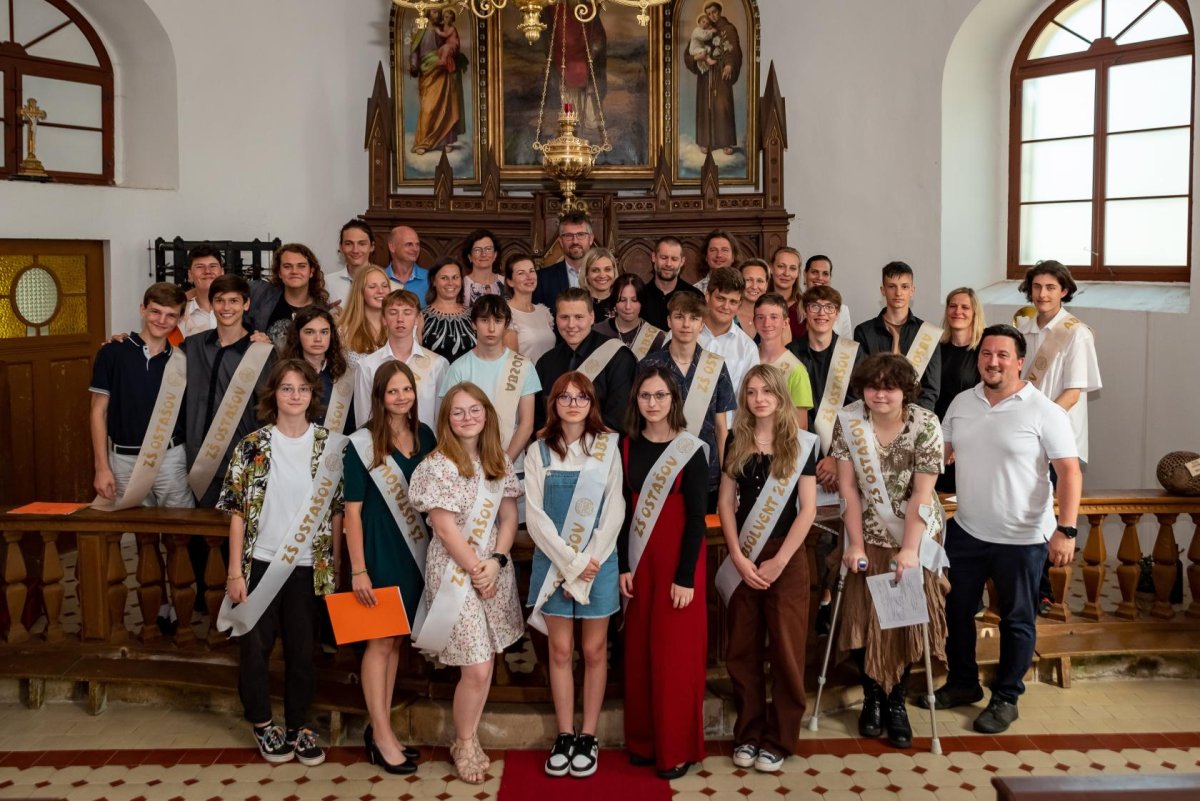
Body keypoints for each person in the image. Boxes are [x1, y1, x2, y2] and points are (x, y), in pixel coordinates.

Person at [925, 325, 1081, 734]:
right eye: (986, 354)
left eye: (1002, 355)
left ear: (1019, 362)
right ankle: (963, 682)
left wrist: (1066, 530)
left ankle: (1007, 696)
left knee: (1017, 619)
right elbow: (939, 455)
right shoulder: (963, 402)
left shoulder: (1045, 411)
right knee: (955, 610)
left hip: (1023, 537)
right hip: (968, 530)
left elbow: (1069, 472)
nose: (992, 362)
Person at [218, 359, 345, 768]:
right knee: (254, 648)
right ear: (274, 393)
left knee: (303, 650)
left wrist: (333, 565)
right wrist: (234, 572)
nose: (295, 395)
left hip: (307, 566)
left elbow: (338, 512)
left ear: (313, 394)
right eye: (287, 388)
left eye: (303, 389)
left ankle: (298, 726)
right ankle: (262, 723)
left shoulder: (330, 447)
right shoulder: (252, 445)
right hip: (260, 564)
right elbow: (236, 512)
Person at [408, 382, 524, 785]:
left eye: (475, 409)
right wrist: (478, 568)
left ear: (487, 414)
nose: (467, 418)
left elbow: (508, 517)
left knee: (486, 659)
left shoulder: (498, 460)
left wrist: (497, 560)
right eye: (457, 412)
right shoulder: (437, 465)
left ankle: (468, 735)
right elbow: (444, 528)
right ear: (447, 420)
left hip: (493, 568)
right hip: (455, 574)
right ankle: (463, 741)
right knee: (476, 666)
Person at [829, 353, 947, 750]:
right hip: (864, 533)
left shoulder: (926, 424)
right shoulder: (850, 421)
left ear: (906, 391)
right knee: (864, 617)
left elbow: (922, 494)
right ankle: (872, 698)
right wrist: (855, 543)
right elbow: (847, 488)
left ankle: (896, 701)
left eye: (889, 387)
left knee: (901, 620)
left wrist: (910, 549)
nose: (880, 395)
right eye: (872, 386)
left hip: (912, 535)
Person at [716, 364, 818, 773]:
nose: (759, 399)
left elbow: (808, 510)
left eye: (767, 391)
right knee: (742, 650)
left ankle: (780, 738)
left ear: (780, 396)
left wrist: (780, 560)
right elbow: (726, 503)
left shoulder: (802, 443)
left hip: (786, 559)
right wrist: (737, 556)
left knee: (786, 651)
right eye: (752, 392)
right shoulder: (736, 439)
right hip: (744, 552)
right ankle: (749, 733)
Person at [525, 372, 623, 779]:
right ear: (554, 403)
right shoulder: (538, 451)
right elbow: (535, 517)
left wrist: (588, 562)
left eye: (580, 397)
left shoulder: (607, 447)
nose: (572, 404)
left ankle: (588, 736)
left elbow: (615, 507)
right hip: (554, 565)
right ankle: (565, 734)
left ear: (591, 403)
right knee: (561, 652)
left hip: (598, 563)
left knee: (595, 651)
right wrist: (570, 563)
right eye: (564, 397)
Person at [343, 361, 435, 774]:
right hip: (378, 551)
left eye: (407, 390)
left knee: (395, 641)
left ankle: (383, 729)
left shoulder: (426, 435)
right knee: (379, 643)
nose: (401, 398)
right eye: (393, 391)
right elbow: (351, 512)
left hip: (414, 553)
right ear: (379, 396)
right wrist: (358, 570)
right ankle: (380, 734)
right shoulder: (361, 444)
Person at [619, 367, 709, 779]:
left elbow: (696, 518)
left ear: (674, 399)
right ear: (635, 401)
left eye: (660, 395)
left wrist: (686, 577)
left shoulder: (691, 449)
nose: (652, 403)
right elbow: (622, 512)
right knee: (639, 655)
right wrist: (623, 566)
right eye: (645, 396)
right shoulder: (625, 446)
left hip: (678, 566)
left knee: (675, 659)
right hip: (640, 565)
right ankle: (643, 742)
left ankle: (677, 748)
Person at [789, 284, 864, 633]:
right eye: (815, 306)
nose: (821, 313)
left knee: (841, 536)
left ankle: (837, 604)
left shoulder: (853, 355)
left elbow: (860, 410)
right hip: (801, 460)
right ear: (804, 311)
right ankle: (812, 604)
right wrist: (810, 461)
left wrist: (835, 456)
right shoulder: (791, 353)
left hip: (843, 461)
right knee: (807, 537)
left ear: (837, 313)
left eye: (828, 308)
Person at [90, 282, 191, 511]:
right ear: (142, 309)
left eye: (171, 315)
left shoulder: (183, 359)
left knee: (180, 526)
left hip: (171, 458)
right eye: (155, 311)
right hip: (124, 460)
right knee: (134, 526)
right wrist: (101, 467)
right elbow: (98, 412)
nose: (162, 320)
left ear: (180, 319)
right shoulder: (112, 352)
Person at [184, 273, 276, 508]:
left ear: (246, 304)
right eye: (220, 300)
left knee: (245, 526)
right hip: (200, 460)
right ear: (211, 304)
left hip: (246, 458)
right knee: (202, 529)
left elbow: (272, 406)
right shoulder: (193, 346)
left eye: (234, 301)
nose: (226, 308)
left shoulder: (262, 351)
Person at [638, 291, 736, 509]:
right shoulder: (648, 366)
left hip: (707, 471)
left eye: (693, 318)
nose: (686, 324)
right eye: (679, 316)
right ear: (669, 321)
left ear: (702, 324)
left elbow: (721, 428)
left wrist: (726, 477)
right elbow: (640, 423)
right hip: (661, 471)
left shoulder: (716, 366)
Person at [1014, 261, 1101, 467]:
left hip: (1058, 439)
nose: (1042, 294)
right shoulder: (1023, 331)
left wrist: (1039, 427)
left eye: (1050, 287)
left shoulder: (1077, 333)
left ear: (1064, 291)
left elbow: (1072, 395)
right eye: (1037, 287)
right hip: (1025, 436)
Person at [440, 295, 540, 470]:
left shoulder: (524, 366)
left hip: (511, 467)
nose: (491, 328)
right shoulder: (458, 368)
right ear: (473, 324)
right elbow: (447, 420)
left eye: (498, 320)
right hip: (467, 467)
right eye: (484, 320)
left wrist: (504, 465)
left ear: (506, 324)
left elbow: (526, 424)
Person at [535, 288, 636, 433]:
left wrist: (574, 437)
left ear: (592, 317)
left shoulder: (618, 357)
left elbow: (620, 417)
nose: (571, 324)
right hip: (555, 444)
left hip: (602, 443)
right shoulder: (546, 362)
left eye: (579, 317)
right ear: (556, 318)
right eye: (564, 317)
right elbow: (538, 419)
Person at [355, 289, 449, 431]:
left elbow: (442, 418)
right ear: (384, 319)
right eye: (393, 313)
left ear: (417, 318)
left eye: (407, 312)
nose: (400, 319)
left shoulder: (438, 364)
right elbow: (364, 419)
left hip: (425, 442)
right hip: (382, 442)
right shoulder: (367, 365)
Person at [852, 261, 941, 411]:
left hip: (915, 416)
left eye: (904, 287)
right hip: (875, 414)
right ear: (883, 290)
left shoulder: (928, 333)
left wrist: (910, 418)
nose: (898, 293)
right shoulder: (864, 331)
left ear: (912, 290)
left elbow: (931, 389)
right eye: (891, 286)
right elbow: (862, 383)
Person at [935, 287, 983, 494]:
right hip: (937, 432)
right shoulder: (936, 348)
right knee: (938, 496)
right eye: (953, 306)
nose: (958, 311)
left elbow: (984, 399)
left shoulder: (983, 350)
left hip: (970, 433)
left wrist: (957, 440)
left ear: (975, 313)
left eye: (965, 307)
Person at [280, 306, 356, 434]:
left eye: (324, 332)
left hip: (335, 444)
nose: (318, 339)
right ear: (297, 335)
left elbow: (351, 425)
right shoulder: (283, 374)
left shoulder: (343, 375)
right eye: (310, 332)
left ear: (331, 335)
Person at [683, 2, 742, 156]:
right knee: (705, 105)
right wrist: (696, 57)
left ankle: (726, 142)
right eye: (708, 14)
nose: (712, 16)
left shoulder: (728, 29)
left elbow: (734, 50)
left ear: (720, 11)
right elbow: (689, 52)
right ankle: (705, 141)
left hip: (721, 73)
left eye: (714, 12)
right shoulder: (703, 30)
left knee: (723, 105)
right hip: (705, 74)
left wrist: (729, 64)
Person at [247, 243, 330, 349]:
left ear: (311, 271)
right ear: (279, 272)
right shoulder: (261, 297)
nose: (294, 271)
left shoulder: (322, 311)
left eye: (301, 266)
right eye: (287, 266)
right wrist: (253, 341)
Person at [409, 8, 467, 156]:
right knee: (428, 108)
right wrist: (414, 65)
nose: (438, 15)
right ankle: (423, 141)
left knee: (446, 106)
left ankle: (446, 141)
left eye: (439, 12)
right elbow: (415, 49)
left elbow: (453, 45)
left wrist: (451, 53)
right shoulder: (421, 30)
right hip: (428, 69)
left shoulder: (444, 29)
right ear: (428, 14)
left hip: (443, 71)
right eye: (434, 12)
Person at [699, 267, 759, 405]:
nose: (726, 307)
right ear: (707, 296)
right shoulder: (682, 332)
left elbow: (749, 398)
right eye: (721, 298)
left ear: (739, 304)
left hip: (729, 419)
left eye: (733, 302)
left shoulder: (748, 348)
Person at [752, 292, 813, 427]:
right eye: (761, 317)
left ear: (785, 322)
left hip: (780, 438)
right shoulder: (747, 358)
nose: (767, 323)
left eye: (774, 317)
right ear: (754, 322)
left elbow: (801, 426)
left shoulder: (796, 370)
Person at [594, 273, 665, 360]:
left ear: (642, 303)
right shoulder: (597, 332)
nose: (628, 306)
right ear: (614, 302)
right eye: (622, 300)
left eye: (634, 300)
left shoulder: (656, 338)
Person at [639, 235, 703, 331]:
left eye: (674, 259)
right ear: (654, 257)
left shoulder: (695, 296)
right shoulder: (640, 296)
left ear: (682, 261)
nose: (668, 264)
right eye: (664, 257)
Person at [533, 212, 594, 308]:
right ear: (560, 241)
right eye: (569, 235)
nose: (575, 241)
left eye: (581, 234)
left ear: (590, 239)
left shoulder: (603, 277)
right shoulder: (542, 279)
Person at [421, 257, 476, 363]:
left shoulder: (474, 315)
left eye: (455, 277)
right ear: (433, 281)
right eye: (444, 278)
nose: (451, 283)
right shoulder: (421, 316)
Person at [504, 253, 556, 364]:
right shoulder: (505, 313)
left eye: (532, 271)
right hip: (523, 374)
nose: (529, 277)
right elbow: (510, 362)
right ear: (510, 281)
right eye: (521, 273)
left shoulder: (543, 312)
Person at [338, 265, 392, 363]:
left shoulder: (399, 325)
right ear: (360, 291)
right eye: (372, 287)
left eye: (385, 286)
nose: (381, 291)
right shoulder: (343, 330)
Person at [327, 220, 380, 312]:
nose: (355, 250)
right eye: (348, 243)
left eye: (362, 244)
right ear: (341, 247)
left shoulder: (387, 284)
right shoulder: (326, 283)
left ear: (372, 246)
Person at [178, 244, 224, 338]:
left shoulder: (238, 310)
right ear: (190, 275)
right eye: (200, 267)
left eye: (213, 266)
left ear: (222, 272)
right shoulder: (178, 314)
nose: (207, 271)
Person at [804, 254, 852, 338]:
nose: (820, 277)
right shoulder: (794, 307)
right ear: (805, 274)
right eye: (814, 272)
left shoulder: (842, 310)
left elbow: (846, 343)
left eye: (825, 274)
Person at [385, 225, 429, 305]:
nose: (415, 249)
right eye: (409, 244)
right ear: (392, 247)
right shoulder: (381, 278)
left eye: (417, 244)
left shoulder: (430, 278)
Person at [769, 247, 805, 344]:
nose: (786, 273)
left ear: (798, 273)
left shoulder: (805, 307)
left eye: (793, 268)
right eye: (781, 266)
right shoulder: (759, 303)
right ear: (771, 268)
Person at [462, 229, 504, 307]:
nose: (483, 254)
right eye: (477, 250)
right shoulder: (462, 285)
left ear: (495, 255)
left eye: (488, 249)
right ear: (469, 256)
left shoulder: (505, 283)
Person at [580, 247, 620, 321]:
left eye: (607, 269)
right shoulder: (577, 303)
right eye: (595, 270)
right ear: (586, 274)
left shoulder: (622, 302)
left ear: (614, 272)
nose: (602, 275)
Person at [696, 229, 739, 293]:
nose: (719, 255)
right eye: (713, 250)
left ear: (733, 256)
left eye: (724, 250)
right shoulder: (694, 291)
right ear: (706, 256)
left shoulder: (744, 289)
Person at [735, 258, 770, 335]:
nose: (754, 286)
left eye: (760, 281)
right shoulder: (727, 313)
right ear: (739, 282)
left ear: (766, 285)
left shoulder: (774, 318)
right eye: (748, 280)